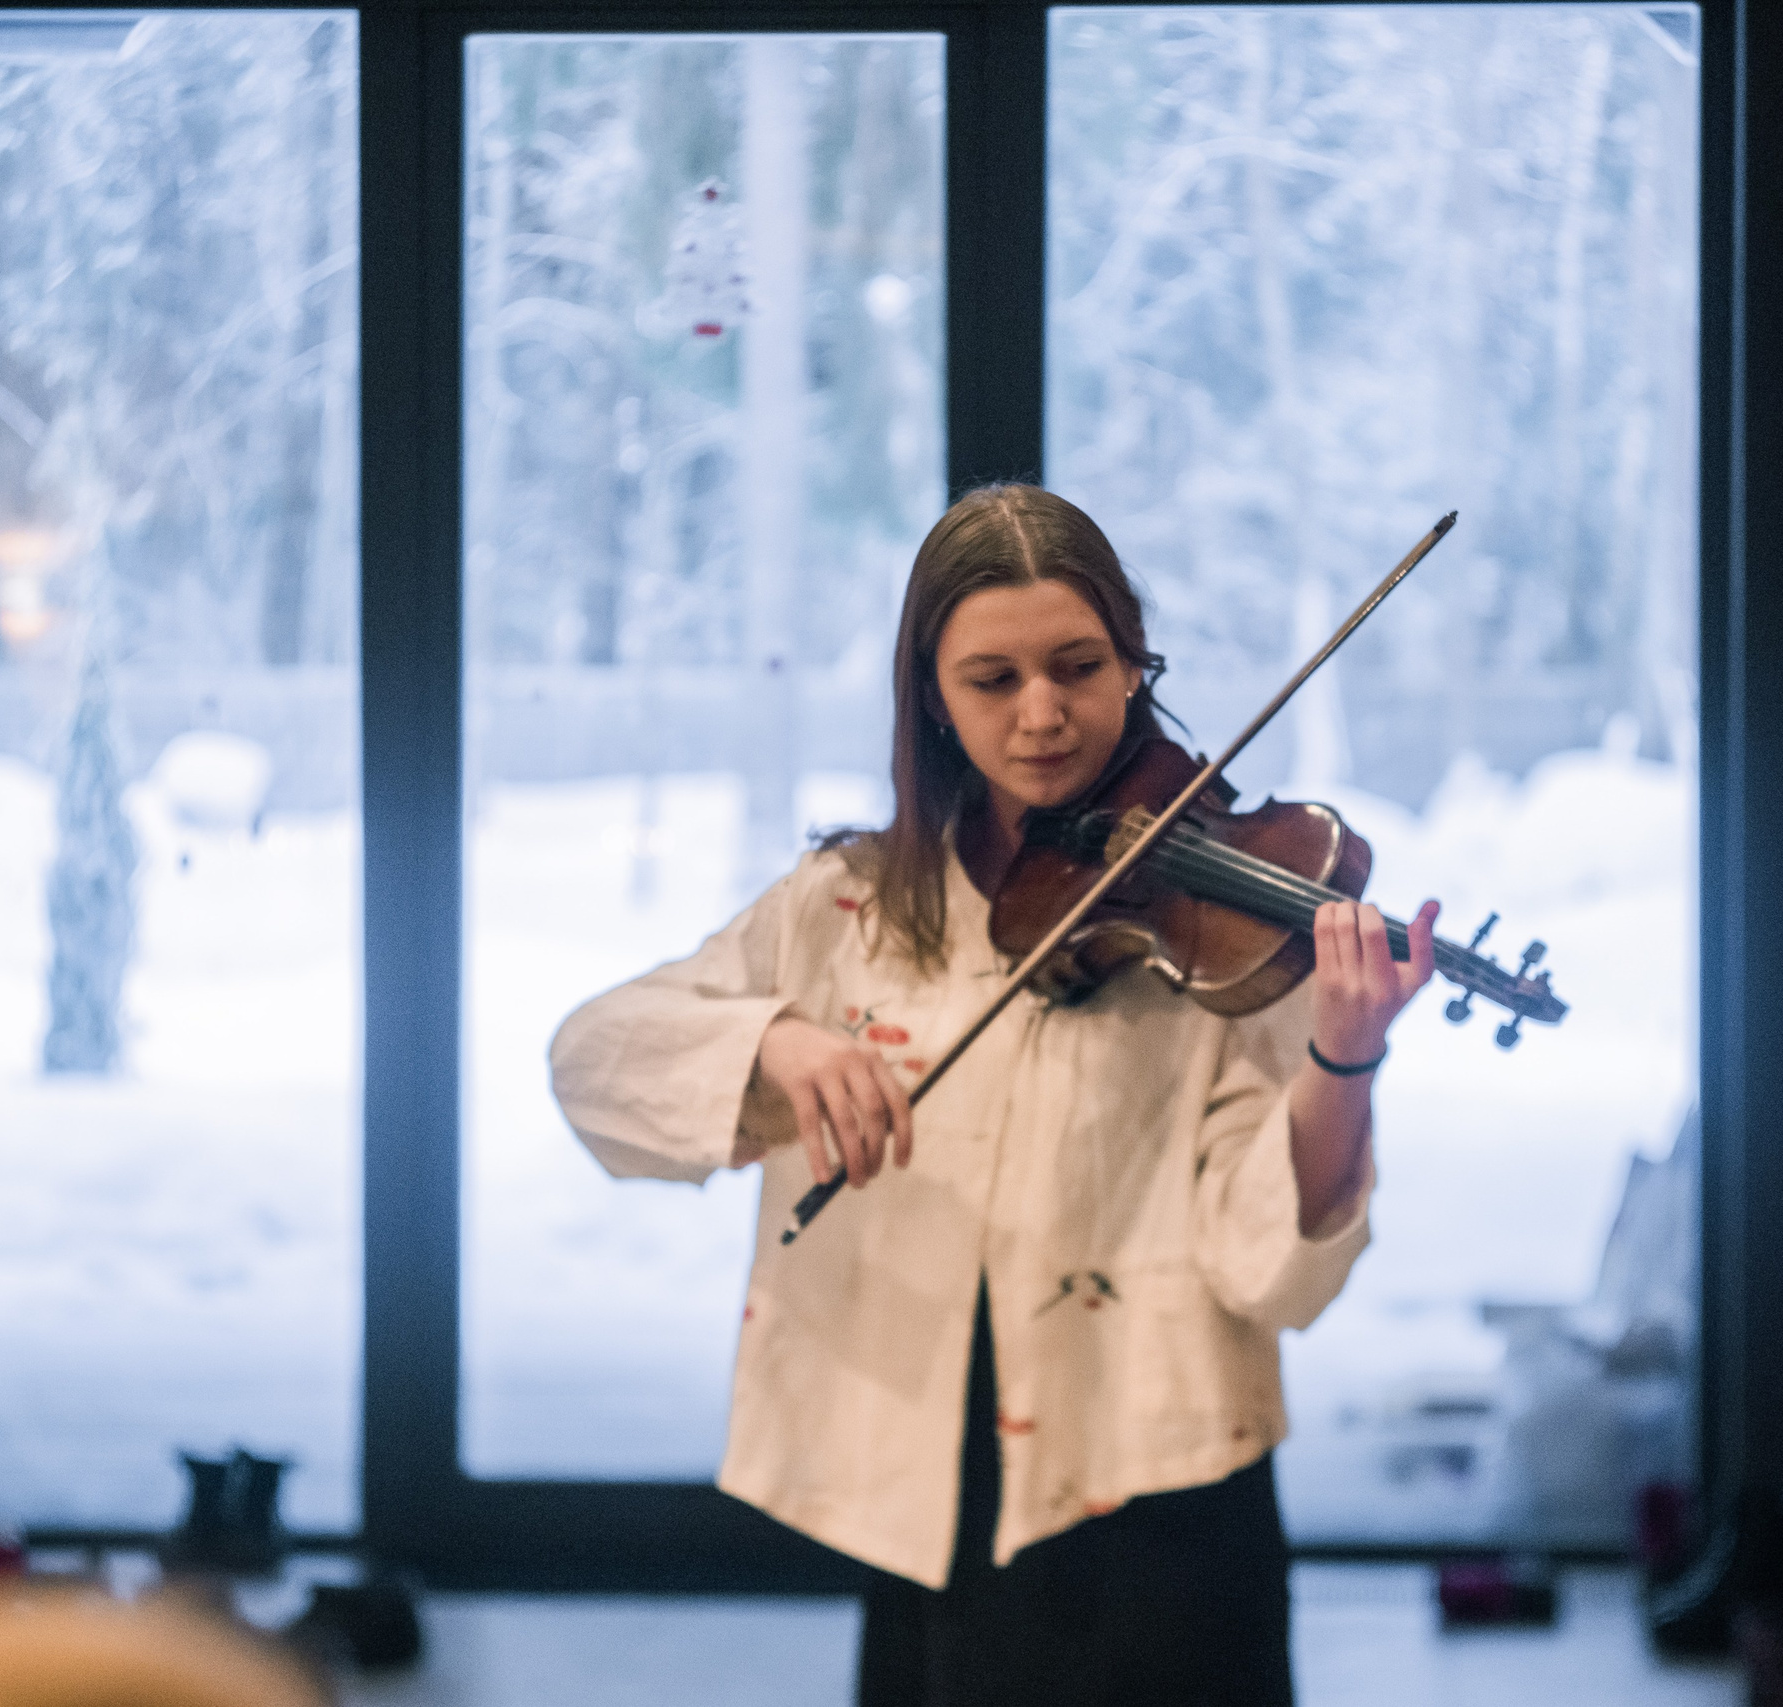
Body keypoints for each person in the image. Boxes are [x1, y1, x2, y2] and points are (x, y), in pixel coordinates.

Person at [550, 484, 1441, 1705]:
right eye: (992, 679)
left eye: (1078, 666)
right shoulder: (849, 906)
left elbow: (1269, 1270)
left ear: (1135, 667)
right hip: (932, 1484)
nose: (1041, 716)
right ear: (932, 695)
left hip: (1159, 1483)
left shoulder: (1213, 920)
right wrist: (777, 1046)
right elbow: (594, 1060)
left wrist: (1343, 1059)